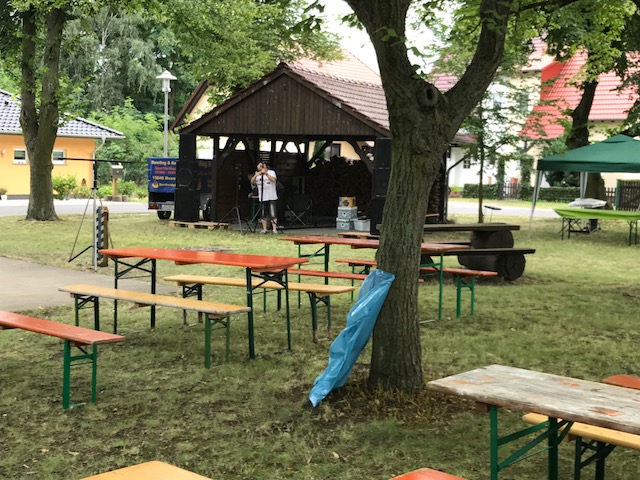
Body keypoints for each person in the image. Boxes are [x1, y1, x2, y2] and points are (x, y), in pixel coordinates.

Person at [251, 162, 279, 233]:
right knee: (263, 214)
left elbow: (273, 180)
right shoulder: (258, 175)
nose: (259, 170)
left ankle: (274, 229)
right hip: (262, 197)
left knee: (273, 213)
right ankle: (264, 229)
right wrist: (256, 175)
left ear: (264, 167)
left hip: (271, 196)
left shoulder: (271, 172)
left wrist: (266, 173)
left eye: (260, 169)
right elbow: (252, 182)